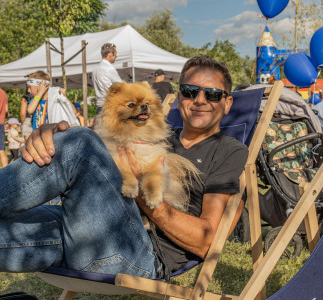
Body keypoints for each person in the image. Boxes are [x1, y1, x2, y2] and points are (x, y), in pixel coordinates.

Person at [0, 55, 248, 281]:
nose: (200, 100)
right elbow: (99, 143)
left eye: (213, 94)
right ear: (179, 97)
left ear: (227, 104)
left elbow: (206, 243)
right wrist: (51, 136)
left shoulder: (229, 152)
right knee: (76, 140)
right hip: (92, 229)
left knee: (82, 141)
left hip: (137, 254)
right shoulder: (153, 131)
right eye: (191, 91)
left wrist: (142, 192)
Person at [92, 43, 122, 113]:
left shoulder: (95, 69)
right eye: (115, 54)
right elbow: (121, 87)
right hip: (110, 107)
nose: (116, 56)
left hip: (99, 107)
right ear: (110, 54)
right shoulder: (109, 68)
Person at [0, 87, 8, 168]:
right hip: (1, 123)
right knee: (1, 150)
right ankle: (6, 173)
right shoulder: (3, 92)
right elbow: (6, 109)